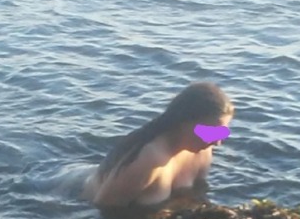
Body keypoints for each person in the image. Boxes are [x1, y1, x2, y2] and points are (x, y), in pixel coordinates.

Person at [84, 81, 234, 207]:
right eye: (211, 133)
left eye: (221, 133)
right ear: (183, 122)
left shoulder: (202, 150)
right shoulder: (149, 159)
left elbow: (198, 193)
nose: (217, 142)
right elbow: (104, 208)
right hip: (73, 187)